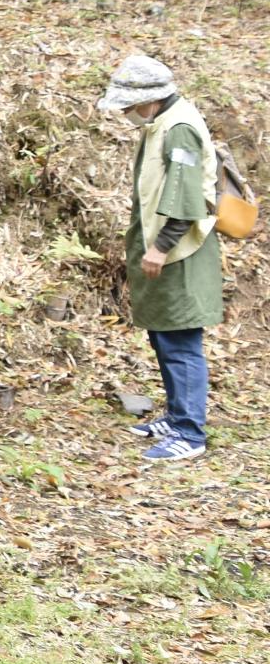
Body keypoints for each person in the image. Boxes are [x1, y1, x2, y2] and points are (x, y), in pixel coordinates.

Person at [98, 54, 223, 463]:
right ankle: (176, 415)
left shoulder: (180, 129)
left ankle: (190, 433)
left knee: (181, 341)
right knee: (163, 336)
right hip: (164, 249)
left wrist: (161, 247)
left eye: (130, 105)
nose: (127, 113)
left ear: (150, 99)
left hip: (180, 252)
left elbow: (187, 200)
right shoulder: (161, 123)